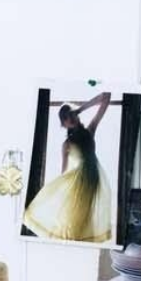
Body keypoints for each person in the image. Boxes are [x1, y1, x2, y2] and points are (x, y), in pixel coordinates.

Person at [23, 92, 113, 242]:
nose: (69, 118)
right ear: (63, 124)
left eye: (70, 114)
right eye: (65, 117)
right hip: (79, 183)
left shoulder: (90, 131)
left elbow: (106, 97)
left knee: (84, 225)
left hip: (94, 181)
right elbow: (63, 172)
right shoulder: (67, 145)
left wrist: (80, 109)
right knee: (73, 226)